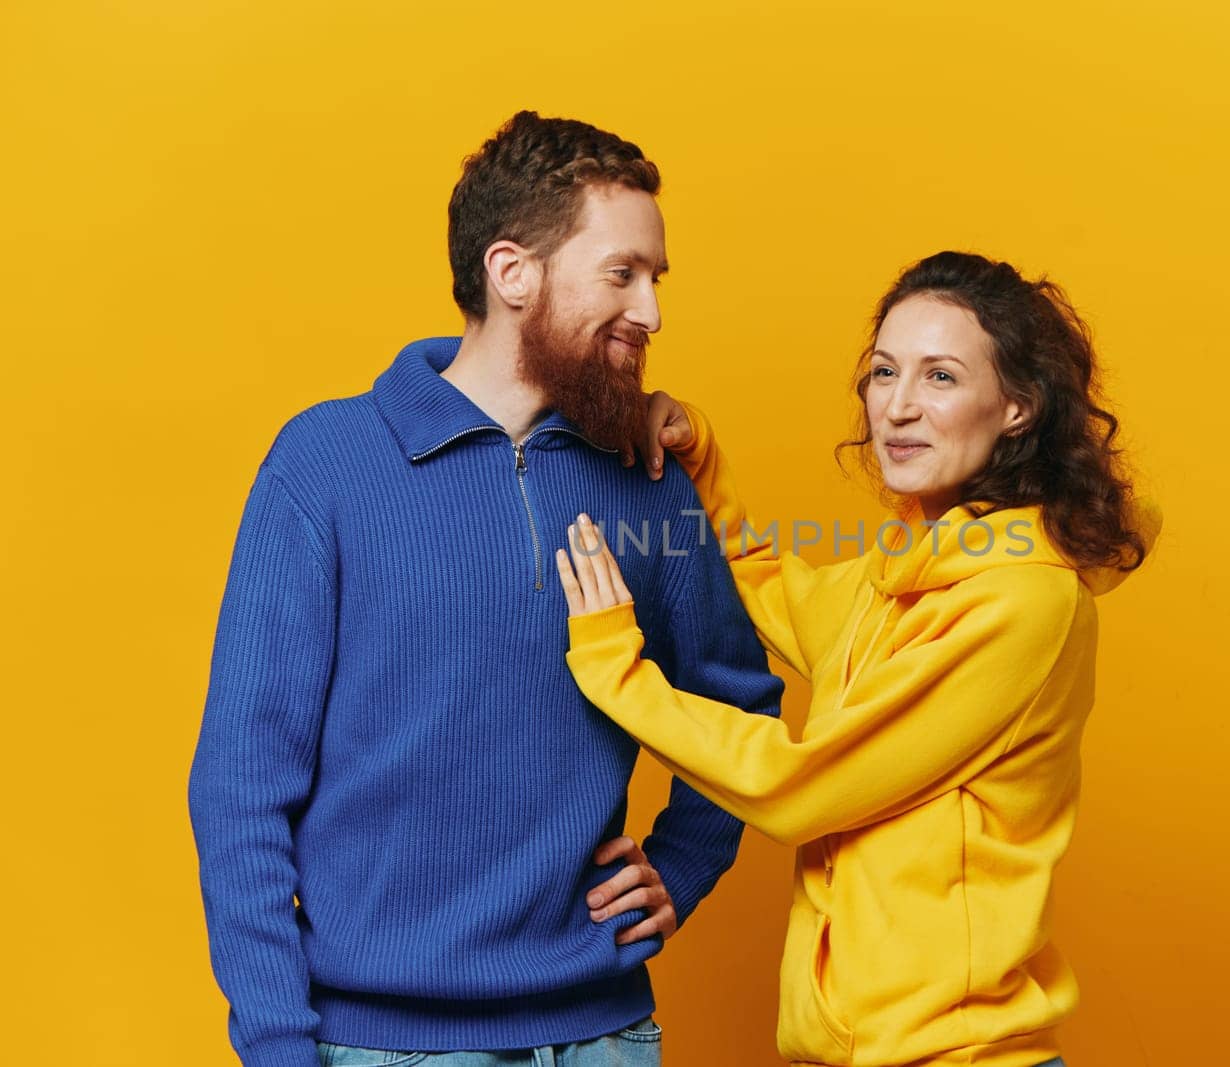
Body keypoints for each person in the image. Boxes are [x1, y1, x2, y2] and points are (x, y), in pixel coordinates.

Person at [187, 111, 783, 1067]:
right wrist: (276, 1045)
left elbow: (740, 700)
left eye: (656, 278)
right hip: (382, 1048)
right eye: (621, 273)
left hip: (605, 1036)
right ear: (514, 274)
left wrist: (684, 863)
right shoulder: (326, 464)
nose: (652, 312)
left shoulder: (644, 472)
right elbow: (241, 787)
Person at [556, 251, 1162, 1067]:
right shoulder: (912, 569)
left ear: (1018, 406)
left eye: (940, 377)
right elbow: (765, 587)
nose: (899, 408)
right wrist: (699, 462)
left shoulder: (1022, 601)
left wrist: (614, 668)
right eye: (884, 372)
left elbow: (799, 788)